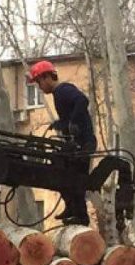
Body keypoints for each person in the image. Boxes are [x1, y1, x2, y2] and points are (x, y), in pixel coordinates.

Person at [27, 60, 96, 226]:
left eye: (39, 82)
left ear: (47, 77)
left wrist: (72, 122)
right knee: (61, 174)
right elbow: (69, 114)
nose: (39, 87)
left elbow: (82, 101)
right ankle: (72, 209)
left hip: (82, 144)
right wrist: (61, 123)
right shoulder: (58, 95)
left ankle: (81, 216)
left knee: (75, 179)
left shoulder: (64, 90)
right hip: (74, 145)